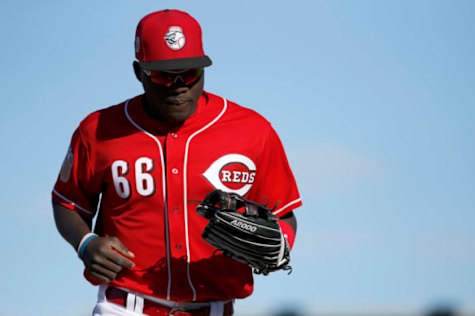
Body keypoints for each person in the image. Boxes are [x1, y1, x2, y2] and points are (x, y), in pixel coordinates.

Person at [52, 9, 302, 316]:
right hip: (125, 308)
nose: (179, 85)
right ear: (138, 71)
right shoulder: (98, 130)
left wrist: (279, 242)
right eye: (163, 75)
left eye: (191, 73)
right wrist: (85, 243)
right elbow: (67, 203)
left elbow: (284, 214)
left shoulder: (252, 131)